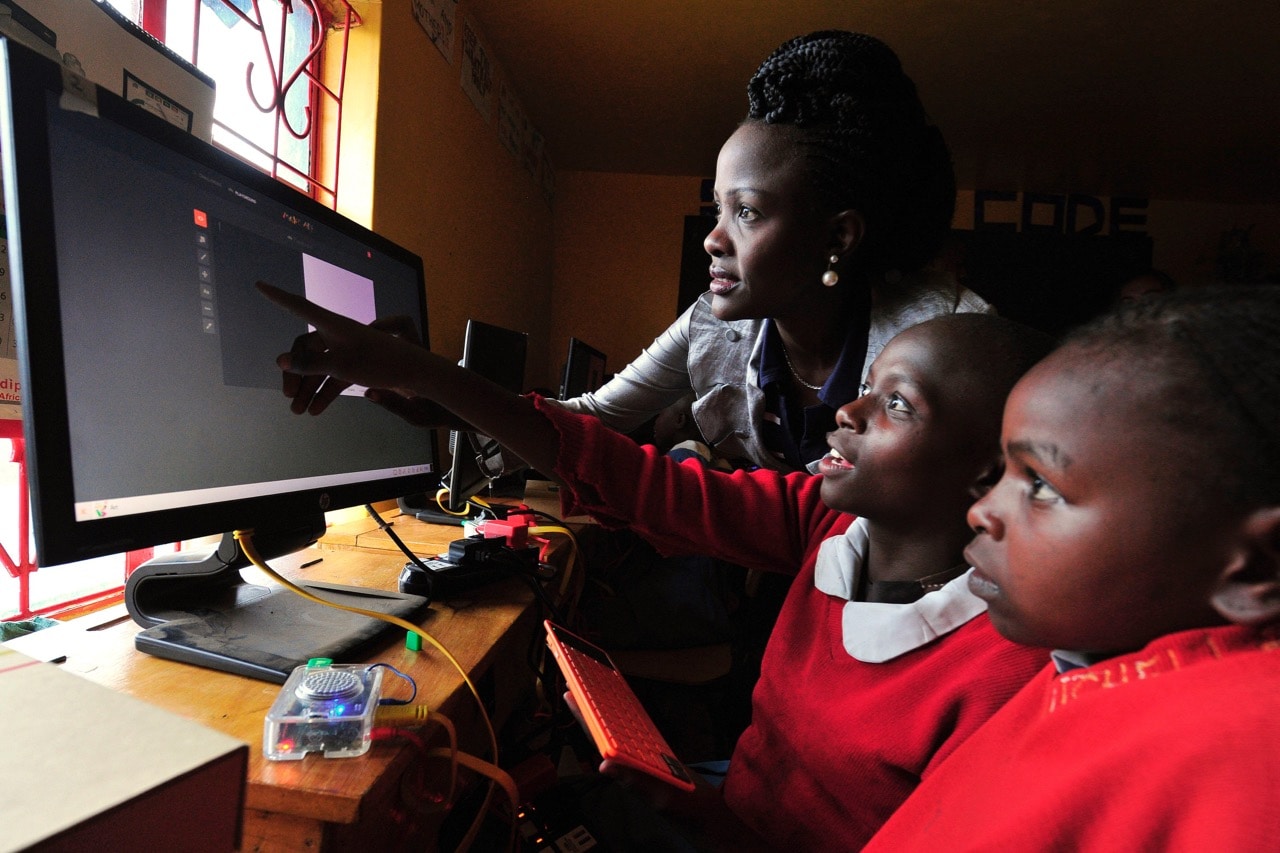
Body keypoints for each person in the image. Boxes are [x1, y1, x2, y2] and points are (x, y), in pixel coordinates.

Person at [258, 281, 1053, 849]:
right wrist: (426, 375)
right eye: (865, 388)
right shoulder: (826, 518)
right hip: (721, 807)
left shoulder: (1005, 674)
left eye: (898, 404)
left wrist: (699, 818)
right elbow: (636, 479)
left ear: (987, 476)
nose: (848, 411)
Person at [862, 285, 1280, 851]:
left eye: (1040, 485)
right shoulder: (1095, 650)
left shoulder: (1243, 772)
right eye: (1003, 472)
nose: (983, 511)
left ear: (1253, 567)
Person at [559, 30, 990, 474]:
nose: (713, 240)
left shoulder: (948, 338)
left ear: (838, 238)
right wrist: (484, 409)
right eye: (718, 210)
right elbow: (592, 416)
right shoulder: (710, 326)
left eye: (746, 211)